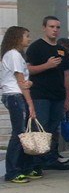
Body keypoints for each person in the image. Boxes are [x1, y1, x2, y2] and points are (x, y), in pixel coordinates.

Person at [24, 16, 69, 171]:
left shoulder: (62, 50)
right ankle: (36, 161)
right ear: (44, 28)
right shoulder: (36, 47)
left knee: (54, 128)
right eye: (51, 27)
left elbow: (67, 75)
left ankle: (51, 158)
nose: (55, 30)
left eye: (57, 27)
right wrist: (47, 65)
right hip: (40, 94)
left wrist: (67, 98)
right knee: (41, 127)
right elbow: (28, 70)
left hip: (58, 95)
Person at [1, 26, 37, 183]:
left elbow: (24, 81)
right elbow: (21, 81)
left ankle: (24, 166)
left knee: (24, 131)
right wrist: (30, 103)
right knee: (19, 132)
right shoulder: (14, 55)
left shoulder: (15, 55)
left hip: (16, 94)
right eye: (26, 36)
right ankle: (13, 170)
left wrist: (28, 83)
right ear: (17, 37)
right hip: (15, 95)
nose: (29, 39)